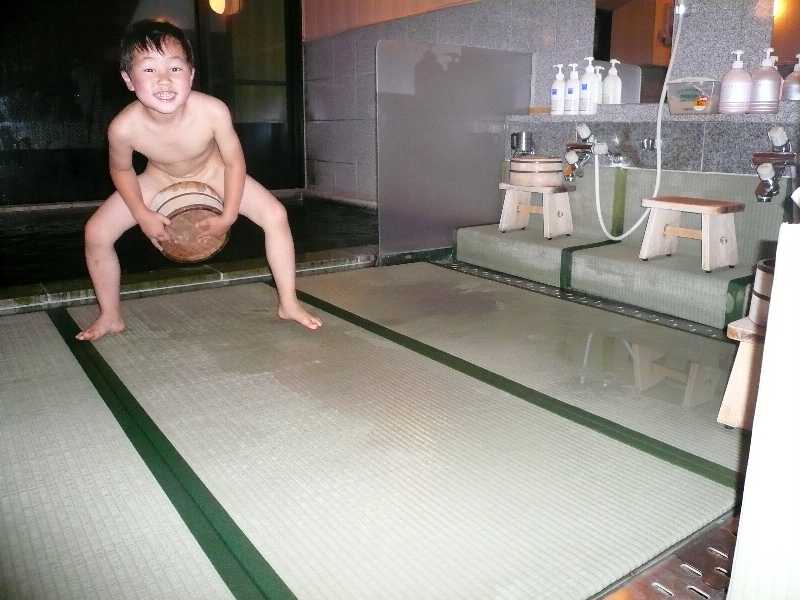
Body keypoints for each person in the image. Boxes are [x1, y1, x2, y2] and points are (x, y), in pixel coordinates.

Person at [77, 19, 321, 341]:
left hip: (214, 172)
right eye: (148, 69)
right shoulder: (123, 128)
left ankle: (288, 302)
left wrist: (228, 215)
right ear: (128, 80)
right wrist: (142, 214)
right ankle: (110, 316)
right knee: (96, 232)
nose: (164, 79)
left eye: (175, 68)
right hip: (158, 177)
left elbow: (234, 162)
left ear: (191, 75)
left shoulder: (213, 111)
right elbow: (122, 171)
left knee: (275, 215)